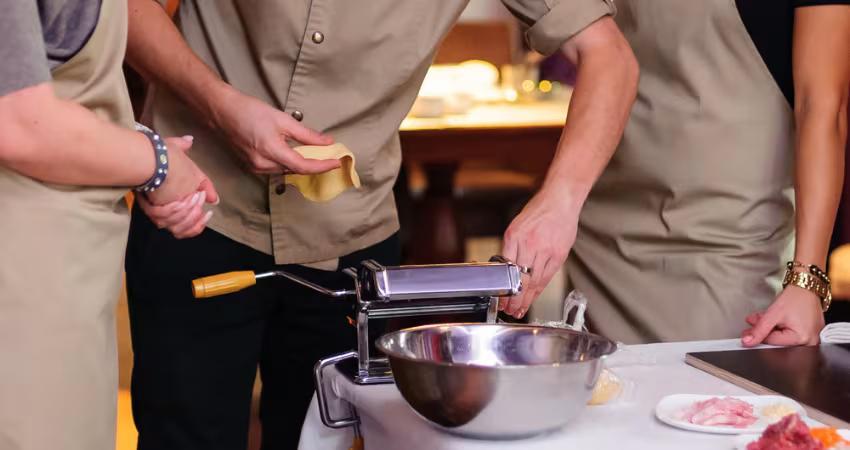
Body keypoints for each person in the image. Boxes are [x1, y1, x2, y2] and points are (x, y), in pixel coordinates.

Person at [123, 0, 638, 448]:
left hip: (351, 249)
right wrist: (219, 106)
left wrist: (559, 202)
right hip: (196, 210)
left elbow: (608, 55)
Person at [504, 0, 850, 345]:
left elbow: (822, 106)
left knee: (712, 378)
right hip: (604, 227)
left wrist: (806, 279)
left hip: (725, 238)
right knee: (605, 378)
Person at [0, 2, 216, 450]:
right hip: (25, 282)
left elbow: (49, 84)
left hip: (66, 281)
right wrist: (156, 164)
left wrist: (137, 147)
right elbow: (17, 123)